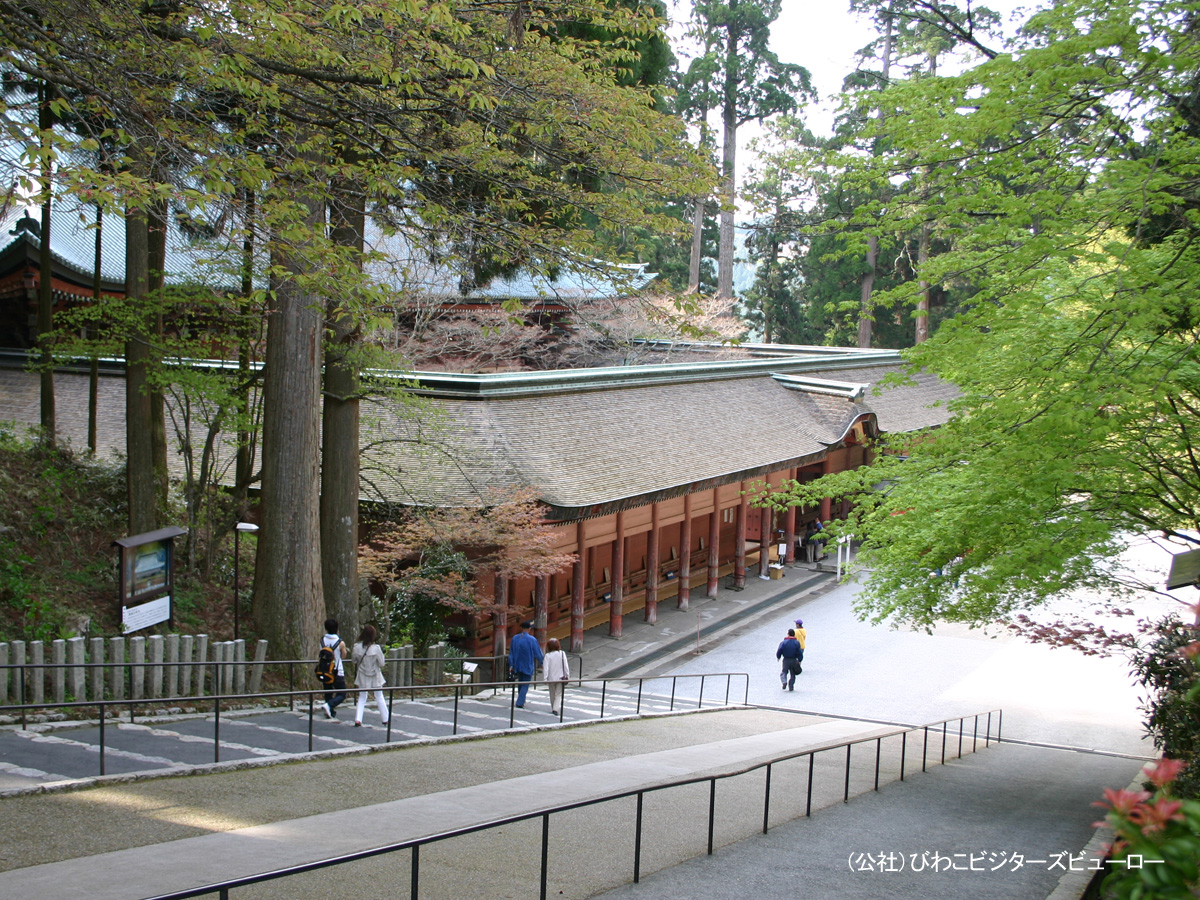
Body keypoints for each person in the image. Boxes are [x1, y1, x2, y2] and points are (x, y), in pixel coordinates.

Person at [351, 624, 390, 728]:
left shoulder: (357, 647)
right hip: (375, 674)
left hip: (362, 674)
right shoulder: (376, 648)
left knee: (362, 697)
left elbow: (354, 660)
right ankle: (385, 719)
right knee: (379, 696)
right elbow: (382, 663)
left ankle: (358, 719)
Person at [508, 620, 543, 708]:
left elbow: (511, 653)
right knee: (525, 684)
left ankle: (521, 699)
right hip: (527, 664)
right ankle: (520, 702)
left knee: (521, 682)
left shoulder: (515, 638)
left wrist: (511, 664)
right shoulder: (532, 639)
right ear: (529, 629)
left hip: (517, 664)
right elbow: (538, 653)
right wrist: (542, 662)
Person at [321, 618, 349, 719]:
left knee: (328, 691)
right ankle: (329, 706)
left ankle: (329, 711)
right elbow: (343, 655)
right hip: (337, 670)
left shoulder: (322, 640)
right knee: (342, 693)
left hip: (325, 669)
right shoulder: (340, 642)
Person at [542, 637, 570, 715]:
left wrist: (545, 678)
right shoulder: (562, 653)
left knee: (552, 693)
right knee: (558, 694)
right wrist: (567, 675)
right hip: (560, 677)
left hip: (551, 678)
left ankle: (553, 706)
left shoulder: (547, 655)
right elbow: (566, 666)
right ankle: (555, 708)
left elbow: (546, 668)